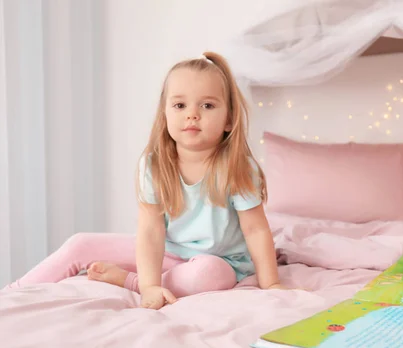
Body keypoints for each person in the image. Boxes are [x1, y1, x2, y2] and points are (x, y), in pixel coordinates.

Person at [4, 52, 287, 309]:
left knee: (207, 274)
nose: (192, 114)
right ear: (164, 116)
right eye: (179, 104)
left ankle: (131, 282)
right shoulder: (153, 164)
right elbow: (151, 232)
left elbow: (256, 230)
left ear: (229, 120)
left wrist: (271, 283)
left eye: (208, 105)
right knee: (81, 244)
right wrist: (152, 283)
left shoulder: (238, 167)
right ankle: (11, 295)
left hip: (223, 262)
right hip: (169, 253)